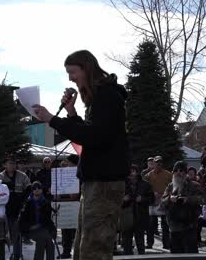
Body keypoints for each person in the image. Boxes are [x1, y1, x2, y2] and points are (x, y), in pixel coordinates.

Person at [32, 49, 130, 260]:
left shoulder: (107, 96)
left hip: (104, 183)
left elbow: (94, 137)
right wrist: (72, 114)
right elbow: (92, 135)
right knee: (84, 249)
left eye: (73, 72)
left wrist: (53, 119)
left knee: (94, 249)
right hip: (97, 181)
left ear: (86, 68)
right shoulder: (101, 97)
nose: (70, 78)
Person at [161, 161, 206, 253]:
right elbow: (162, 203)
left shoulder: (194, 185)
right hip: (174, 227)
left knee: (191, 254)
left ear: (185, 173)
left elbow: (203, 199)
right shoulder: (170, 187)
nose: (178, 173)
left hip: (189, 227)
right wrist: (170, 199)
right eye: (176, 171)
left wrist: (188, 199)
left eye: (181, 170)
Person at [0, 155, 31, 260]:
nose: (12, 165)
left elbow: (29, 189)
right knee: (1, 237)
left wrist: (23, 201)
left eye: (14, 163)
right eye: (10, 163)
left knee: (16, 236)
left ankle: (17, 256)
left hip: (17, 210)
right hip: (2, 210)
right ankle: (0, 256)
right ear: (4, 165)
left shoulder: (23, 176)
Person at [121, 165, 154, 255]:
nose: (131, 174)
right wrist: (123, 200)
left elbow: (152, 199)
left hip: (140, 217)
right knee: (126, 244)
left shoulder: (145, 184)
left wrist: (142, 199)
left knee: (140, 242)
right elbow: (115, 201)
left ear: (136, 172)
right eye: (129, 172)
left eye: (133, 171)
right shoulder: (122, 185)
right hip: (126, 218)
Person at [19, 181, 56, 260]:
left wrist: (53, 229)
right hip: (30, 229)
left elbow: (48, 219)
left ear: (42, 190)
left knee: (50, 242)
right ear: (32, 191)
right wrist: (29, 227)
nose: (37, 190)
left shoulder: (45, 202)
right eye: (34, 188)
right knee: (42, 239)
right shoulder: (27, 203)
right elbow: (22, 220)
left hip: (42, 228)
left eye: (39, 188)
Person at [143, 156, 172, 249]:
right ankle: (149, 243)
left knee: (165, 225)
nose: (158, 164)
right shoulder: (148, 175)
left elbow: (172, 186)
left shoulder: (168, 174)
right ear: (154, 163)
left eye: (160, 162)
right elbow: (144, 188)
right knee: (150, 225)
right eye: (156, 162)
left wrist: (165, 195)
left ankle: (166, 244)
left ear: (162, 164)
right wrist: (153, 193)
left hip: (164, 202)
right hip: (153, 202)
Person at [58, 154, 80, 259]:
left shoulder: (79, 174)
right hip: (65, 204)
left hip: (76, 204)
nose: (67, 164)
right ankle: (66, 251)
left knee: (77, 230)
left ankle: (77, 251)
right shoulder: (64, 173)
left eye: (68, 162)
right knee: (65, 229)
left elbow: (77, 193)